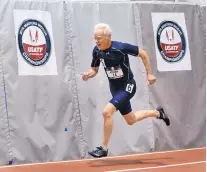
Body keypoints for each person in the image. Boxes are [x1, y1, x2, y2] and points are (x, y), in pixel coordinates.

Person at [82, 23, 170, 158]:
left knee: (107, 112)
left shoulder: (120, 47)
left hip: (128, 85)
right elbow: (94, 69)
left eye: (99, 38)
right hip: (115, 88)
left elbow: (143, 54)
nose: (96, 41)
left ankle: (103, 148)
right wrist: (89, 74)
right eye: (95, 38)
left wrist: (149, 73)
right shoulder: (96, 51)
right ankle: (158, 113)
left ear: (108, 37)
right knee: (131, 120)